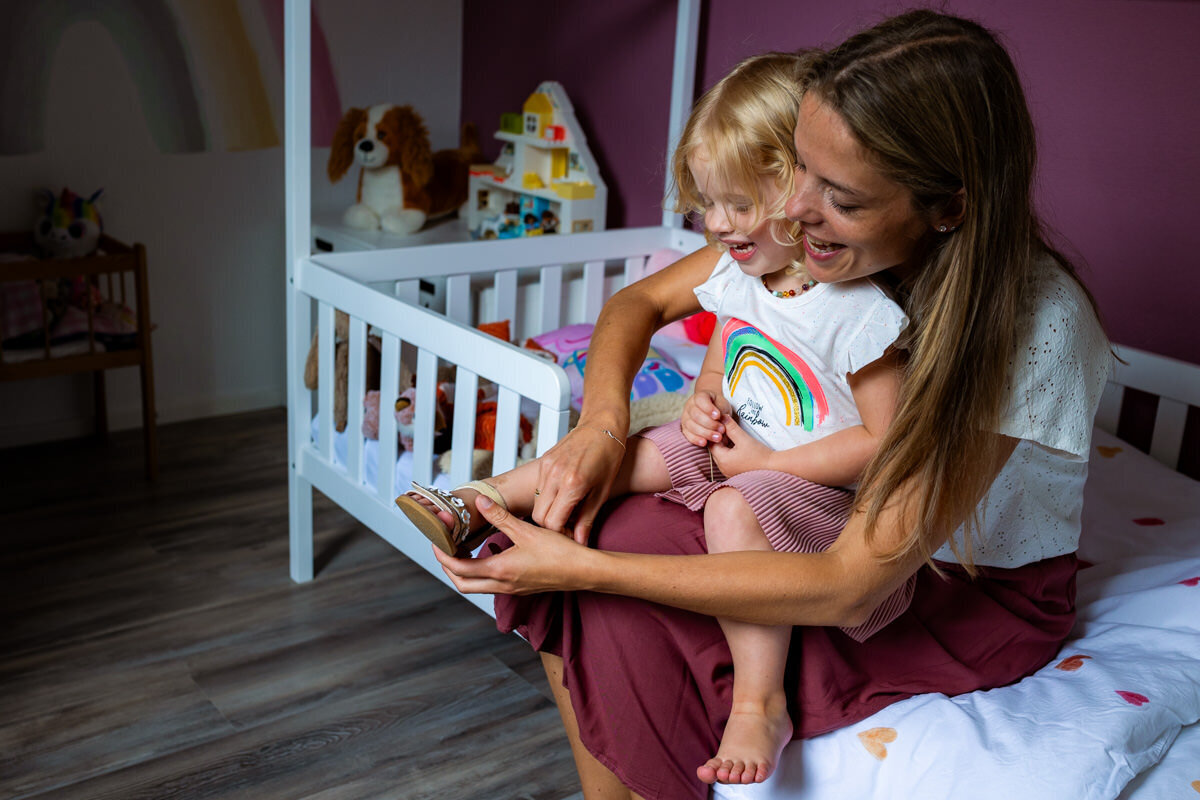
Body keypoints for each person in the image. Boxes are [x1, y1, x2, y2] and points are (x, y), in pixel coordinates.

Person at [434, 10, 1112, 800]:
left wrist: (589, 569)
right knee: (590, 516)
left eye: (842, 197)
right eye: (801, 173)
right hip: (823, 508)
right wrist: (603, 425)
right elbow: (637, 305)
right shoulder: (826, 244)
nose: (793, 213)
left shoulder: (1037, 324)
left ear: (947, 208)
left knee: (598, 577)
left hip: (957, 587)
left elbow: (854, 580)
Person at [396, 52, 910, 786]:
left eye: (738, 204)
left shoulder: (857, 313)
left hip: (807, 485)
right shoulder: (742, 272)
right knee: (632, 450)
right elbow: (730, 347)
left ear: (795, 187)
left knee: (734, 510)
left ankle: (760, 703)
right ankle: (479, 500)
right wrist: (706, 397)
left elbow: (883, 442)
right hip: (740, 442)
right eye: (709, 204)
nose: (718, 225)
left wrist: (769, 467)